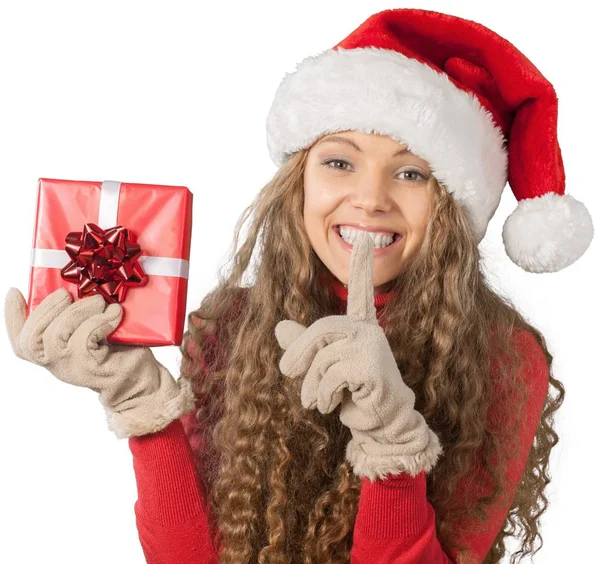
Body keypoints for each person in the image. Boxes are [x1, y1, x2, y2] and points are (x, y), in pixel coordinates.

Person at [4, 7, 594, 564]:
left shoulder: (503, 358)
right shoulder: (228, 325)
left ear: (454, 207)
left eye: (411, 172)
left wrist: (393, 440)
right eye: (340, 162)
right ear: (300, 183)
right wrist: (141, 408)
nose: (369, 198)